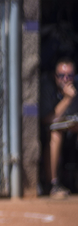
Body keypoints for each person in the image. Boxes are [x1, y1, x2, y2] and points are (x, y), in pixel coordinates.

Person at [40, 57, 78, 199]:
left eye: (69, 75)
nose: (65, 79)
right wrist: (67, 99)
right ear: (55, 76)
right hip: (51, 133)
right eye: (61, 75)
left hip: (73, 132)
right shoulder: (47, 87)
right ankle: (53, 185)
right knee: (55, 134)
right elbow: (47, 120)